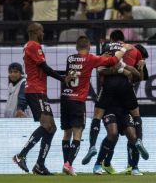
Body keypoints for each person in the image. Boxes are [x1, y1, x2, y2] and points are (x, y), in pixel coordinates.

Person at [60, 35, 132, 176]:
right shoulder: (91, 58)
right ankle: (68, 164)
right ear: (88, 47)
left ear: (76, 47)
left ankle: (66, 165)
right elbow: (113, 60)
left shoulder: (70, 58)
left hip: (65, 98)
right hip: (77, 101)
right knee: (78, 133)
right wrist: (124, 48)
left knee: (66, 133)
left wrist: (99, 57)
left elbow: (79, 67)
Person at [82, 30, 149, 167]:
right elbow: (139, 77)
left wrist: (119, 68)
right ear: (123, 39)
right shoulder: (134, 50)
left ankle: (92, 147)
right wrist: (127, 69)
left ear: (112, 39)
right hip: (126, 90)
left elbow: (100, 69)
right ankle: (139, 143)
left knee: (99, 119)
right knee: (135, 118)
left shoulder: (107, 48)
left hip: (109, 89)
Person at [12, 22, 72, 175]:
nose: (43, 34)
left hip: (38, 90)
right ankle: (21, 155)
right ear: (35, 31)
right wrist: (63, 78)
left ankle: (39, 165)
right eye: (42, 31)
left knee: (51, 128)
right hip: (35, 90)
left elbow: (43, 69)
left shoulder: (28, 46)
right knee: (47, 126)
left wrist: (61, 76)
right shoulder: (34, 45)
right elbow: (45, 68)